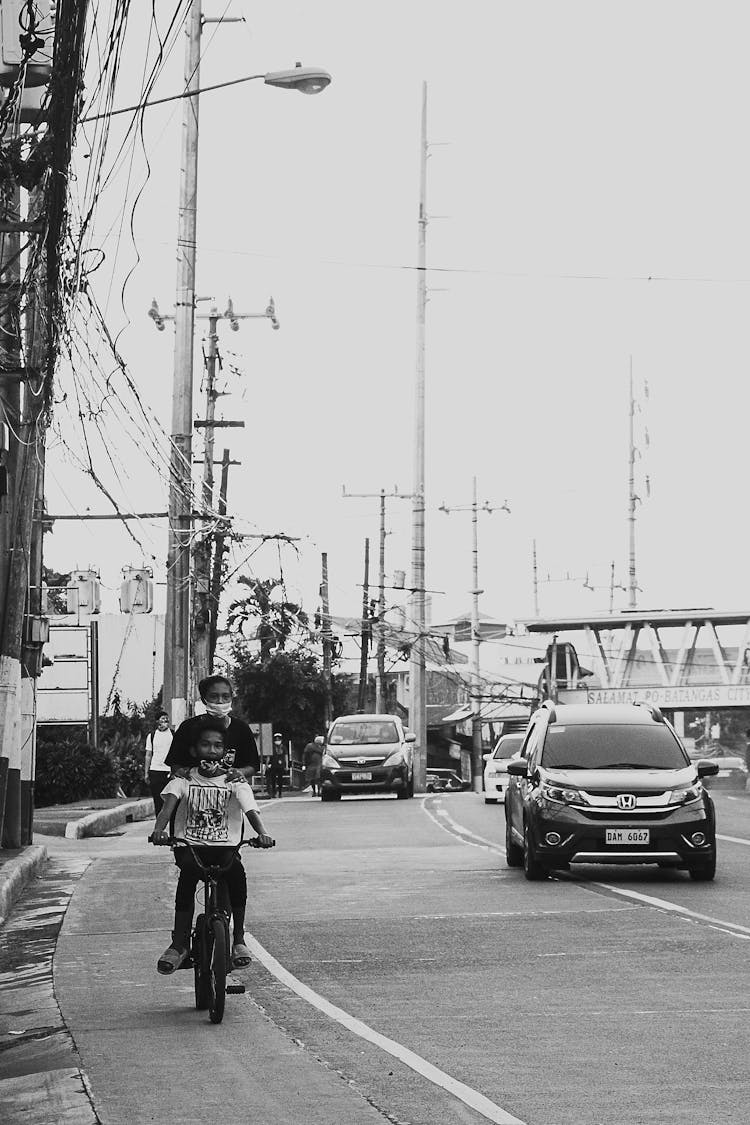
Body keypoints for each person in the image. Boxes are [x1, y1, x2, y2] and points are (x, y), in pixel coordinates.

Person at [149, 716, 274, 974]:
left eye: (218, 746)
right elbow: (167, 807)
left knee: (237, 876)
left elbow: (251, 811)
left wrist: (262, 834)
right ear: (195, 750)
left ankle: (238, 939)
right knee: (186, 881)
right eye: (206, 745)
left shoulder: (234, 780)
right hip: (191, 849)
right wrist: (158, 831)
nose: (212, 751)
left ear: (225, 751)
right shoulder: (183, 779)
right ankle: (179, 944)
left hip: (226, 849)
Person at [165, 675, 260, 783]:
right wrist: (181, 772)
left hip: (229, 791)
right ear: (204, 699)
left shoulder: (242, 729)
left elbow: (252, 765)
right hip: (194, 792)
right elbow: (175, 763)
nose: (220, 701)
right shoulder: (187, 728)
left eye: (225, 696)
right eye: (214, 696)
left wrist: (239, 772)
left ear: (231, 698)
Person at [143, 711, 173, 816]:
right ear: (157, 721)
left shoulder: (173, 735)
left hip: (170, 772)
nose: (165, 721)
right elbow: (148, 755)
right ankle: (159, 830)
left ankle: (173, 831)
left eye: (166, 718)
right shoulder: (152, 736)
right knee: (158, 802)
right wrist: (146, 773)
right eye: (162, 719)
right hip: (155, 772)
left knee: (172, 802)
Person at [267, 733, 285, 798]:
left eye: (279, 739)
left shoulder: (283, 747)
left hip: (281, 765)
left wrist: (286, 765)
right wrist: (267, 764)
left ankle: (280, 793)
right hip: (273, 765)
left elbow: (285, 756)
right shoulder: (272, 747)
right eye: (276, 739)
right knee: (273, 779)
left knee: (280, 780)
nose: (277, 740)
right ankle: (274, 792)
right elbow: (269, 756)